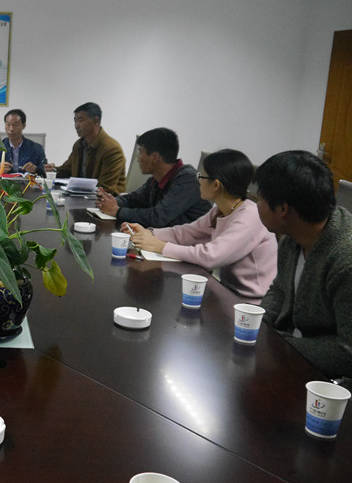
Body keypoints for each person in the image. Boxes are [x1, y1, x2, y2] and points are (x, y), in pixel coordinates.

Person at [122, 149, 277, 300]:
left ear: (216, 185)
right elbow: (189, 232)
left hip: (250, 303)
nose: (198, 181)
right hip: (227, 292)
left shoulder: (250, 216)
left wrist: (160, 247)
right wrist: (150, 232)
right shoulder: (221, 210)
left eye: (201, 176)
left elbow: (210, 256)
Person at [255, 151, 352, 378]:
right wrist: (258, 325)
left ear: (283, 209)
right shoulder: (292, 237)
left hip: (329, 381)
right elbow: (280, 289)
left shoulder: (345, 261)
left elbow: (347, 353)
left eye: (259, 198)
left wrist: (277, 343)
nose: (256, 205)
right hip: (294, 356)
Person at [97, 128, 211, 227]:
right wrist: (109, 201)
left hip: (187, 243)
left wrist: (117, 211)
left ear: (155, 157)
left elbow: (158, 218)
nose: (138, 159)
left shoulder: (188, 180)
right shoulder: (157, 178)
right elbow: (134, 199)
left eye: (140, 153)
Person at [45, 102, 126, 194]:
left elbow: (106, 189)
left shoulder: (112, 149)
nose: (76, 125)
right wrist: (53, 170)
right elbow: (67, 170)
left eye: (80, 120)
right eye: (75, 121)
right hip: (80, 196)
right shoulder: (79, 145)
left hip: (102, 200)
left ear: (96, 120)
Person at [0, 109, 47, 176]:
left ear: (23, 126)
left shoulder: (36, 149)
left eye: (15, 125)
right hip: (3, 182)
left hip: (28, 182)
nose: (11, 129)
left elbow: (44, 172)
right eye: (8, 125)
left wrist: (35, 169)